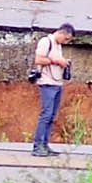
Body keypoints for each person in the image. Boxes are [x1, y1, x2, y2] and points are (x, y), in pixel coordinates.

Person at [30, 22, 74, 157]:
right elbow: (38, 59)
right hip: (47, 83)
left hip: (57, 83)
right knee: (46, 115)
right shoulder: (46, 41)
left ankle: (45, 144)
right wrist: (57, 61)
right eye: (66, 39)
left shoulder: (58, 46)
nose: (65, 42)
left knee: (51, 116)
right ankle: (38, 146)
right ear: (61, 33)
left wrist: (63, 62)